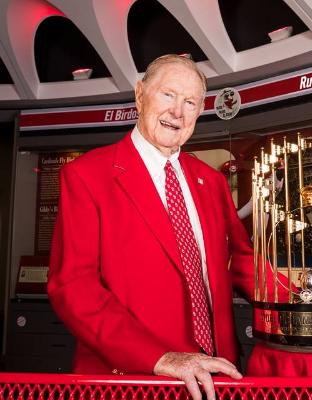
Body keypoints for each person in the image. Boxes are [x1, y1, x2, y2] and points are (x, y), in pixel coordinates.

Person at [48, 54, 284, 400]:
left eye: (190, 102)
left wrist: (304, 301)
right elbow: (73, 286)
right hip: (135, 379)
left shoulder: (210, 180)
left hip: (216, 375)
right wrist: (160, 358)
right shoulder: (87, 176)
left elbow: (242, 262)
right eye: (168, 95)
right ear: (140, 95)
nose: (178, 112)